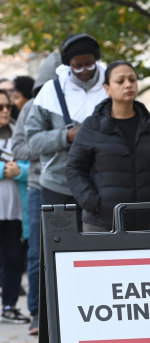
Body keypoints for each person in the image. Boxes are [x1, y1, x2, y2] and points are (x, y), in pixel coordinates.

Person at [66, 61, 150, 232]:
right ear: (107, 88)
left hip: (149, 222)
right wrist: (93, 203)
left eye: (132, 80)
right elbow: (74, 169)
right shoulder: (92, 125)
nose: (128, 85)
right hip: (103, 223)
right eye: (120, 81)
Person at [25, 34, 108, 231]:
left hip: (102, 186)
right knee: (60, 246)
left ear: (96, 59)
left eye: (89, 64)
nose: (84, 71)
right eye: (77, 66)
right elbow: (32, 141)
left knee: (99, 249)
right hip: (57, 185)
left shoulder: (112, 84)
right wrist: (66, 136)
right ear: (68, 64)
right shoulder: (50, 91)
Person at [12, 52, 62, 335]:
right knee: (37, 253)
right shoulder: (32, 106)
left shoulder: (81, 105)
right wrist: (55, 142)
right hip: (38, 187)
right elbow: (19, 148)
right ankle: (36, 314)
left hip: (74, 187)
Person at [0, 89, 30, 324]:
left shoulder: (19, 133)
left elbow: (34, 164)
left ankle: (9, 306)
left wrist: (20, 172)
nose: (5, 111)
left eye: (8, 107)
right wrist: (3, 170)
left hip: (15, 211)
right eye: (0, 107)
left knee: (12, 260)